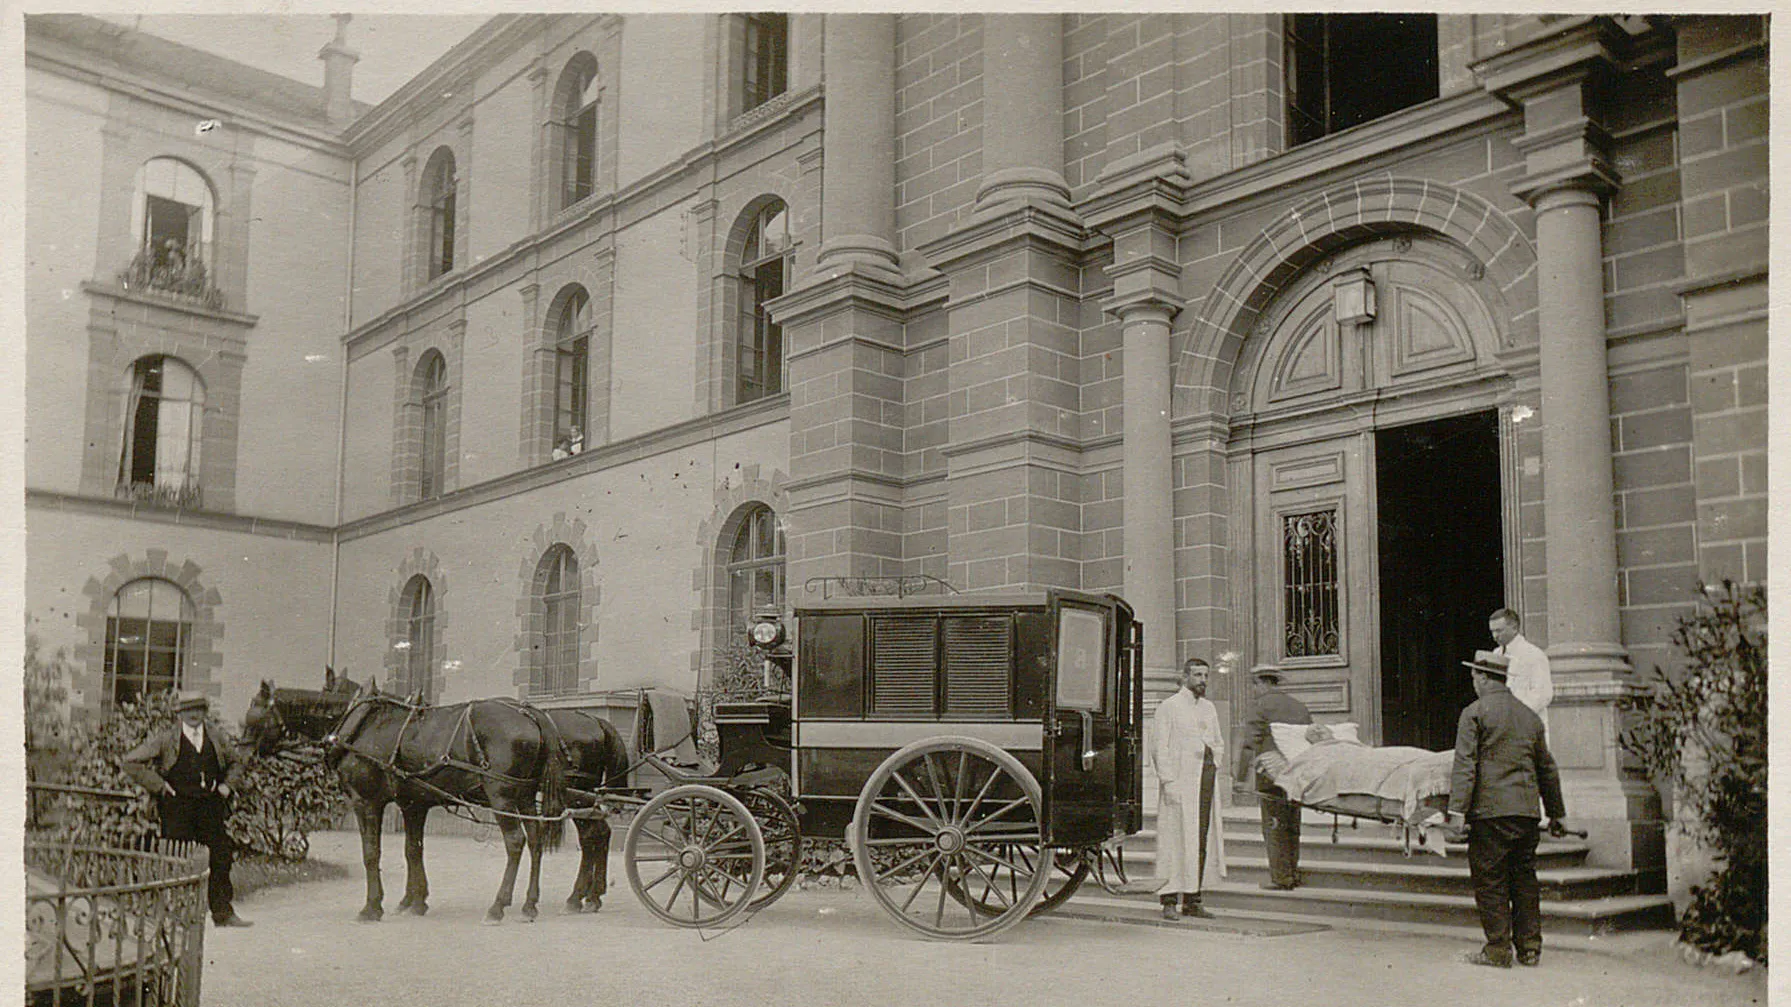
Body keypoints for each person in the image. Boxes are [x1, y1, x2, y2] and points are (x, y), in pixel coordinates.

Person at [1445, 651, 1571, 968]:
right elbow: (1547, 769)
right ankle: (1530, 949)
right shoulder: (1529, 717)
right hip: (1527, 813)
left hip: (1489, 813)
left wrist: (1456, 813)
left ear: (1484, 678)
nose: (1474, 682)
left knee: (1490, 881)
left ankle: (1498, 950)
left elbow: (1465, 767)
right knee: (1525, 880)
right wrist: (1557, 813)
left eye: (1475, 676)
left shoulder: (1474, 713)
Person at [122, 691, 253, 928]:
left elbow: (236, 762)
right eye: (188, 710)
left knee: (221, 857)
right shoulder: (166, 739)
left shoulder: (215, 737)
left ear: (204, 712)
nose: (193, 714)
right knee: (178, 860)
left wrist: (227, 786)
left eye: (198, 709)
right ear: (179, 713)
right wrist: (159, 786)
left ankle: (223, 912)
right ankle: (176, 916)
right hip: (177, 807)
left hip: (210, 806)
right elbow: (131, 761)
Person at [1150, 657, 1227, 920]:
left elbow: (1218, 741)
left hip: (1203, 781)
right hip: (1180, 783)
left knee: (1200, 839)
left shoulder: (1208, 708)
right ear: (1184, 677)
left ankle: (1193, 899)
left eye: (1206, 675)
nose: (1202, 680)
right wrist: (1169, 781)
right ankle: (1169, 900)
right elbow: (1159, 747)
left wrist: (1212, 762)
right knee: (1175, 840)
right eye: (1197, 675)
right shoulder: (1168, 707)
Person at [1234, 664, 1312, 890]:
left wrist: (1240, 778)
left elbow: (1250, 744)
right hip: (1296, 774)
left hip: (1271, 776)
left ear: (1263, 682)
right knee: (1292, 824)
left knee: (1274, 825)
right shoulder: (1299, 706)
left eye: (1255, 685)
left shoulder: (1260, 706)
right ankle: (1293, 872)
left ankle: (1281, 877)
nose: (1254, 690)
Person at [1489, 608, 1552, 720]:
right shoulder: (1495, 654)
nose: (1495, 636)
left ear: (1514, 628)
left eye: (1499, 631)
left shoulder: (1533, 654)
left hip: (1526, 724)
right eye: (1492, 631)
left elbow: (1543, 694)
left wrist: (1517, 717)